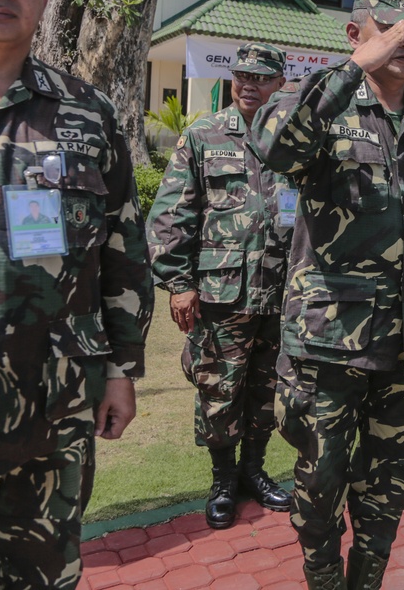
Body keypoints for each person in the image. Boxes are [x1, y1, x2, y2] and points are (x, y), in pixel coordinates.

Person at [0, 0, 153, 588]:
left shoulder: (87, 113)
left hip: (54, 410)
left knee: (45, 575)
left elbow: (121, 249)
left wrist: (121, 369)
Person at [254, 0, 404, 589]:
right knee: (321, 480)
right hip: (332, 336)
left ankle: (366, 580)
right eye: (391, 28)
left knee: (392, 481)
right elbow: (274, 150)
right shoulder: (322, 103)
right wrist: (351, 72)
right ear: (356, 35)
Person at [147, 43, 294, 530]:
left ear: (280, 83)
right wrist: (178, 283)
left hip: (282, 291)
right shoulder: (204, 134)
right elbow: (172, 213)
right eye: (241, 76)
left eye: (260, 77)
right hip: (221, 293)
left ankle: (255, 471)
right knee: (218, 388)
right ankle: (223, 482)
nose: (249, 84)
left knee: (265, 388)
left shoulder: (294, 140)